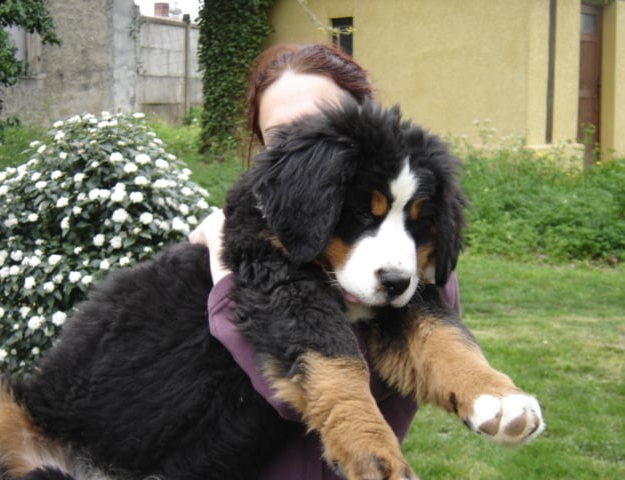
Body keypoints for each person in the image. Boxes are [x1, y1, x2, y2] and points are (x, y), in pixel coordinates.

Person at [190, 43, 461, 479]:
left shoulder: (408, 269)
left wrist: (224, 278)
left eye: (319, 121)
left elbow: (298, 388)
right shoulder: (257, 233)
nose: (304, 148)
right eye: (280, 135)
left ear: (366, 123)